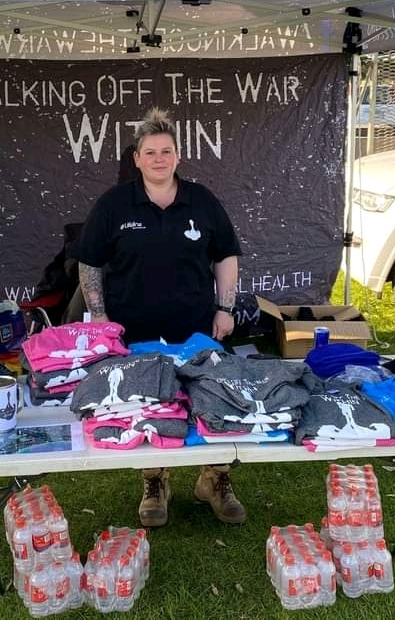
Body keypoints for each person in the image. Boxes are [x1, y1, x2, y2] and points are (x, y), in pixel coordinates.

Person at [71, 107, 244, 526]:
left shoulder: (201, 200)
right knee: (147, 405)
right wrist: (99, 315)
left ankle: (214, 479)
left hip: (197, 328)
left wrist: (225, 308)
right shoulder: (114, 205)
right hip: (136, 331)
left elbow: (225, 255)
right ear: (137, 159)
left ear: (178, 156)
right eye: (150, 152)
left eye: (166, 151)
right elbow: (89, 261)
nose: (159, 159)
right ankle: (155, 482)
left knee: (211, 400)